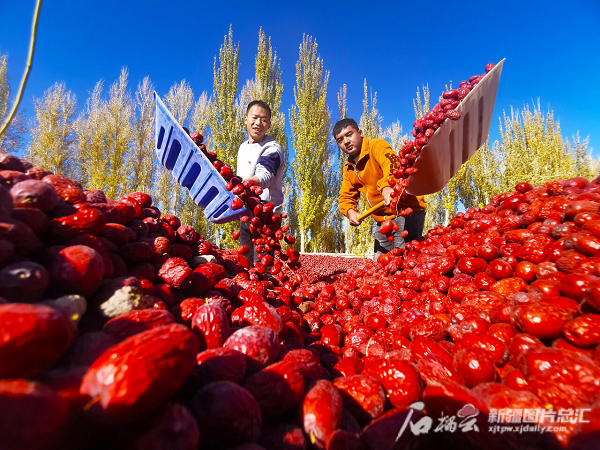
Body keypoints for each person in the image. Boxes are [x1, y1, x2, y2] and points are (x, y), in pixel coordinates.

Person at [334, 118, 427, 259]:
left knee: (407, 261)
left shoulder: (377, 146)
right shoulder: (349, 169)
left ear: (360, 133)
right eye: (340, 140)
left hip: (406, 212)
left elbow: (392, 164)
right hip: (382, 219)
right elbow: (346, 195)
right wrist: (350, 211)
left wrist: (387, 187)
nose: (346, 141)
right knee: (381, 263)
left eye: (349, 134)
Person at [236, 100, 284, 264]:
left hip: (266, 214)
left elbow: (266, 175)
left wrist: (244, 185)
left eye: (264, 119)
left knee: (263, 267)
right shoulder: (242, 148)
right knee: (245, 263)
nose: (258, 123)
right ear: (245, 119)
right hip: (246, 212)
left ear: (269, 125)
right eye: (254, 117)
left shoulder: (272, 148)